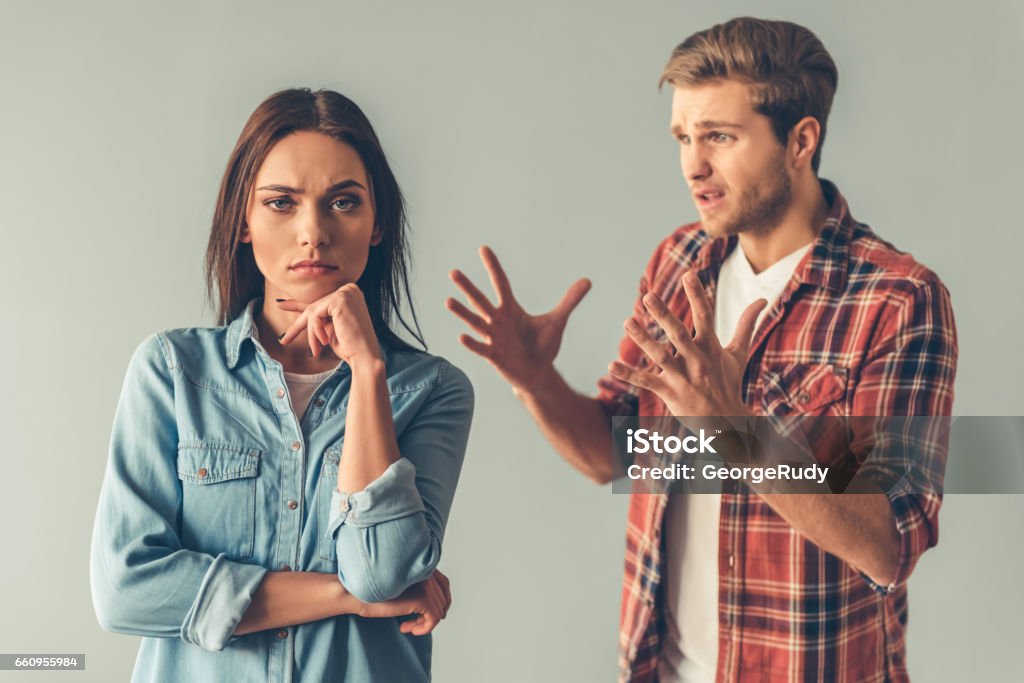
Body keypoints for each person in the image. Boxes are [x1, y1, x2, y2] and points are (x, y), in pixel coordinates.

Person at [446, 17, 956, 683]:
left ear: (801, 140)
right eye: (685, 137)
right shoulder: (680, 261)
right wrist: (536, 381)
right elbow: (615, 455)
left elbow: (887, 542)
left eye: (721, 136)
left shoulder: (898, 299)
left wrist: (736, 432)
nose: (694, 164)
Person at [90, 88, 474, 682]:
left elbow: (379, 572)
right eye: (281, 203)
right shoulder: (172, 371)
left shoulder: (431, 390)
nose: (313, 232)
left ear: (377, 226)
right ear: (243, 221)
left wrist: (369, 371)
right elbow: (127, 590)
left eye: (344, 202)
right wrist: (343, 597)